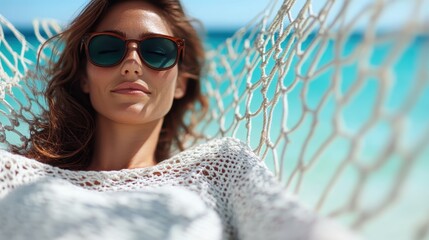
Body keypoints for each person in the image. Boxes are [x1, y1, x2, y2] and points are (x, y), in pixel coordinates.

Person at [0, 0, 358, 239]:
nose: (132, 64)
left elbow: (289, 223)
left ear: (181, 84)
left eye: (157, 51)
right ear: (83, 77)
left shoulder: (219, 168)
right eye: (107, 48)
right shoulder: (14, 174)